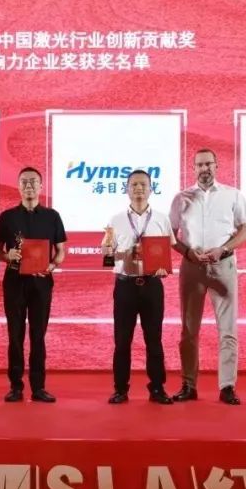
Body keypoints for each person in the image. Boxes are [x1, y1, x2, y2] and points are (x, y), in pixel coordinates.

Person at [169, 148, 246, 405]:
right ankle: (188, 385)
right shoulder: (181, 198)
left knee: (228, 330)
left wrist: (224, 249)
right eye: (199, 165)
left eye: (208, 164)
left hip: (223, 266)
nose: (204, 169)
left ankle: (227, 386)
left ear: (217, 166)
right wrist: (187, 252)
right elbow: (170, 235)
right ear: (193, 168)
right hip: (191, 268)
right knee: (188, 330)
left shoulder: (233, 195)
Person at [100, 170, 174, 404]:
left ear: (151, 189)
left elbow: (167, 251)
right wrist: (122, 254)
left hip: (152, 286)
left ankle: (157, 388)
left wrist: (163, 268)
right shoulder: (115, 220)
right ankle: (120, 389)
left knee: (154, 340)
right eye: (134, 185)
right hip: (125, 286)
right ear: (126, 189)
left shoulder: (162, 219)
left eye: (143, 184)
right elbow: (107, 259)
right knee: (122, 341)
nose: (139, 188)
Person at [0, 167, 66, 403]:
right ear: (18, 186)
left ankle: (38, 387)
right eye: (24, 181)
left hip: (41, 283)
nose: (29, 186)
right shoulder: (7, 217)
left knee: (38, 336)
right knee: (15, 335)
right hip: (14, 282)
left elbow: (61, 251)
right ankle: (15, 386)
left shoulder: (52, 216)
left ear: (41, 186)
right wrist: (7, 256)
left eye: (33, 181)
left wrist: (52, 266)